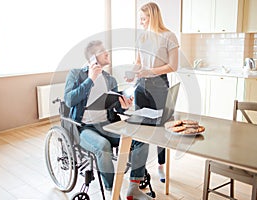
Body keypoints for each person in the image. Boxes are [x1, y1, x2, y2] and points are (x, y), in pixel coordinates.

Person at [64, 40, 153, 200]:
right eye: (103, 51)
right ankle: (114, 193)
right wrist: (90, 79)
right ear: (93, 57)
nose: (107, 53)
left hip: (109, 125)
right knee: (103, 146)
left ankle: (133, 188)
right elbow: (70, 100)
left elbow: (115, 106)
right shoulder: (76, 74)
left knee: (141, 139)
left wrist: (124, 105)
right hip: (85, 128)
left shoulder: (109, 79)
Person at [126, 2, 179, 183]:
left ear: (153, 17)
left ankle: (161, 166)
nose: (140, 22)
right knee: (139, 127)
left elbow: (173, 66)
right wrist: (132, 72)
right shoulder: (142, 37)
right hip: (141, 86)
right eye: (139, 19)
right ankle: (138, 171)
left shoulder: (168, 36)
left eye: (143, 18)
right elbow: (138, 62)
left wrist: (150, 71)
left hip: (159, 87)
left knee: (161, 129)